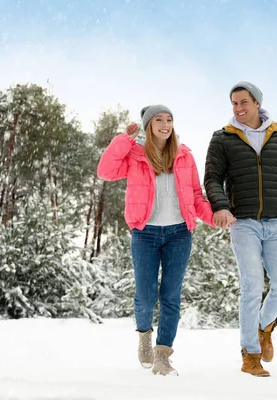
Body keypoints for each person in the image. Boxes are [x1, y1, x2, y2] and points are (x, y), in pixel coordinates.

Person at [97, 104, 228, 376]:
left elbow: (195, 195)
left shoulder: (183, 155)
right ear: (148, 125)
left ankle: (162, 355)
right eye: (159, 119)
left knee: (170, 296)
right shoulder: (134, 154)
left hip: (179, 233)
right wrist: (125, 138)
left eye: (169, 119)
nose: (165, 124)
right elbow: (105, 171)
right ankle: (144, 333)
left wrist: (212, 217)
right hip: (145, 233)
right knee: (145, 297)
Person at [204, 82, 277, 377]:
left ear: (256, 103)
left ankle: (264, 326)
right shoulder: (223, 138)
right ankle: (250, 354)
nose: (238, 109)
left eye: (243, 103)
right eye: (234, 104)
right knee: (252, 287)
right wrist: (221, 206)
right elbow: (212, 178)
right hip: (243, 223)